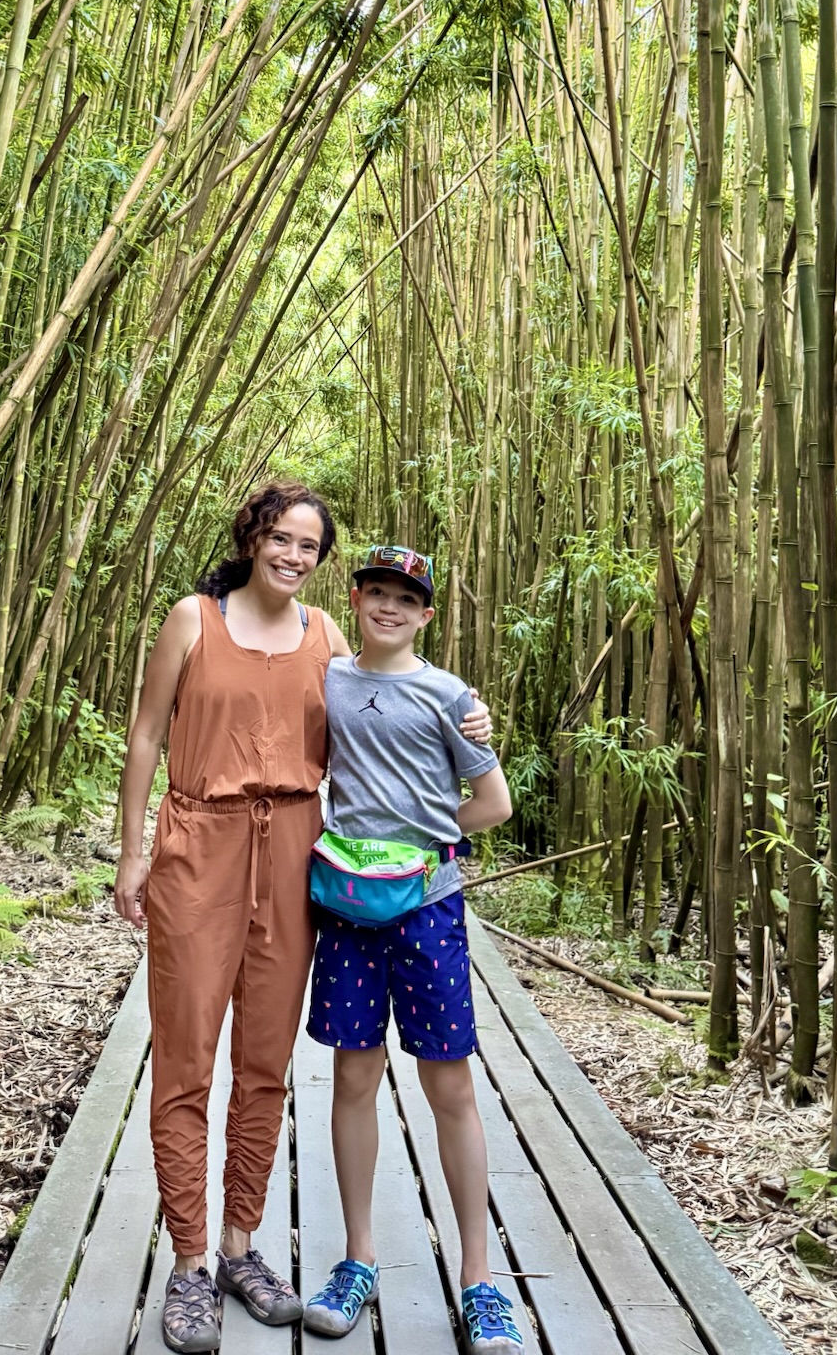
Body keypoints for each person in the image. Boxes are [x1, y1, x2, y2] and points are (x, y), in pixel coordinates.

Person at [113, 488, 488, 1354]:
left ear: (322, 561)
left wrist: (470, 716)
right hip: (198, 842)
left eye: (308, 545)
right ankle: (190, 1261)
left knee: (265, 1061)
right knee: (185, 1059)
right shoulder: (193, 620)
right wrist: (131, 854)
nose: (292, 554)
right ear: (252, 539)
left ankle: (240, 1245)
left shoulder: (327, 636)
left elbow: (391, 690)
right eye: (279, 537)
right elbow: (145, 737)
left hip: (294, 852)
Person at [302, 544, 521, 1352]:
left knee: (450, 1086)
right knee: (354, 1077)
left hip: (428, 909)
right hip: (347, 909)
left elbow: (493, 802)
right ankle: (358, 1259)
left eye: (406, 598)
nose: (389, 606)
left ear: (426, 614)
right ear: (355, 598)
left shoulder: (449, 695)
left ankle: (479, 1279)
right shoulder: (325, 676)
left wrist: (422, 844)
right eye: (376, 592)